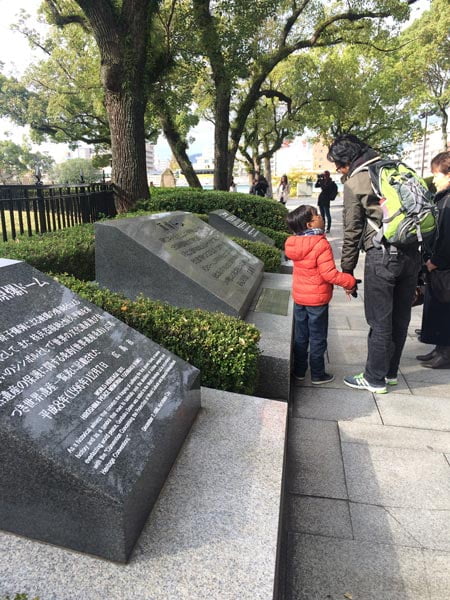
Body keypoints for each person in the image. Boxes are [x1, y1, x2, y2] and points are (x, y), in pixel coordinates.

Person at [327, 134, 421, 393]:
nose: (337, 169)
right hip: (412, 254)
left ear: (347, 160)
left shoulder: (357, 180)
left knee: (380, 321)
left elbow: (352, 231)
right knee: (401, 319)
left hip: (382, 256)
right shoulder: (398, 168)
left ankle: (374, 378)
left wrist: (347, 270)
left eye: (338, 164)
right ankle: (390, 373)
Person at [285, 205, 356, 384]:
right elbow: (329, 274)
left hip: (300, 298)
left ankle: (299, 371)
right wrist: (350, 281)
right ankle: (317, 374)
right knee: (317, 337)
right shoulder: (320, 243)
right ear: (310, 224)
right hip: (317, 301)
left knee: (301, 336)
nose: (321, 216)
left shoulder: (293, 242)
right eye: (317, 215)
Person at [416, 151, 450, 368]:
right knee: (438, 308)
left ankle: (445, 354)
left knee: (445, 309)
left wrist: (435, 261)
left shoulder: (448, 201)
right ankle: (439, 348)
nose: (434, 179)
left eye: (437, 174)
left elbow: (448, 238)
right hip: (440, 265)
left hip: (444, 266)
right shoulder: (444, 199)